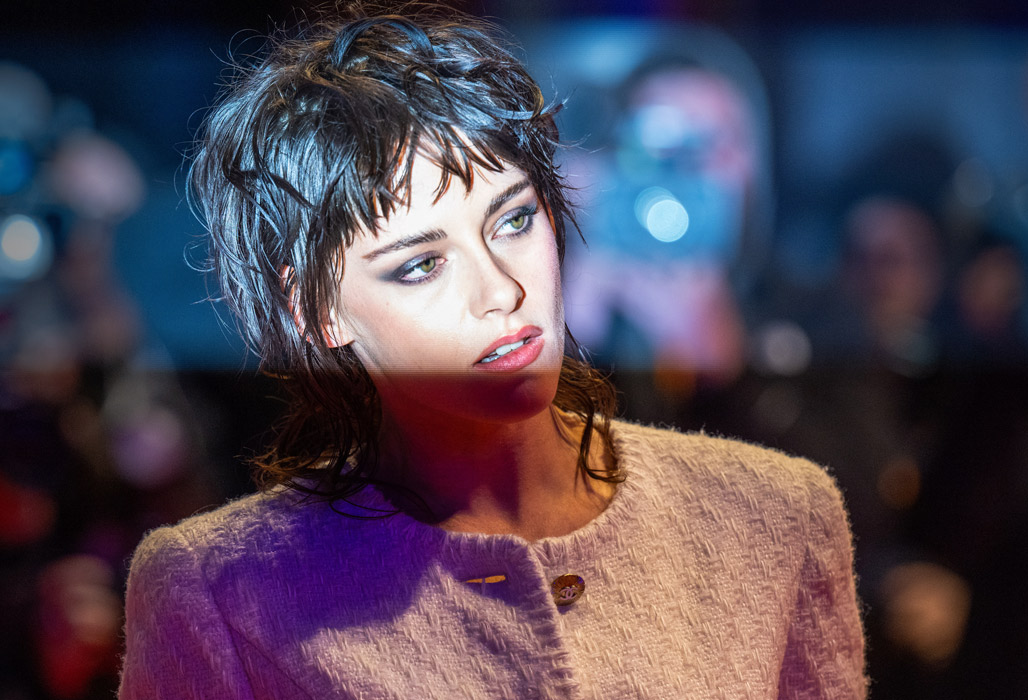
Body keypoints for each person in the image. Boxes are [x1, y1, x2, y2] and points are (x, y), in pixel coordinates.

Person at [118, 8, 866, 698]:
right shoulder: (220, 594)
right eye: (421, 265)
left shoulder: (775, 517)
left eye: (513, 221)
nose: (502, 291)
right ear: (314, 309)